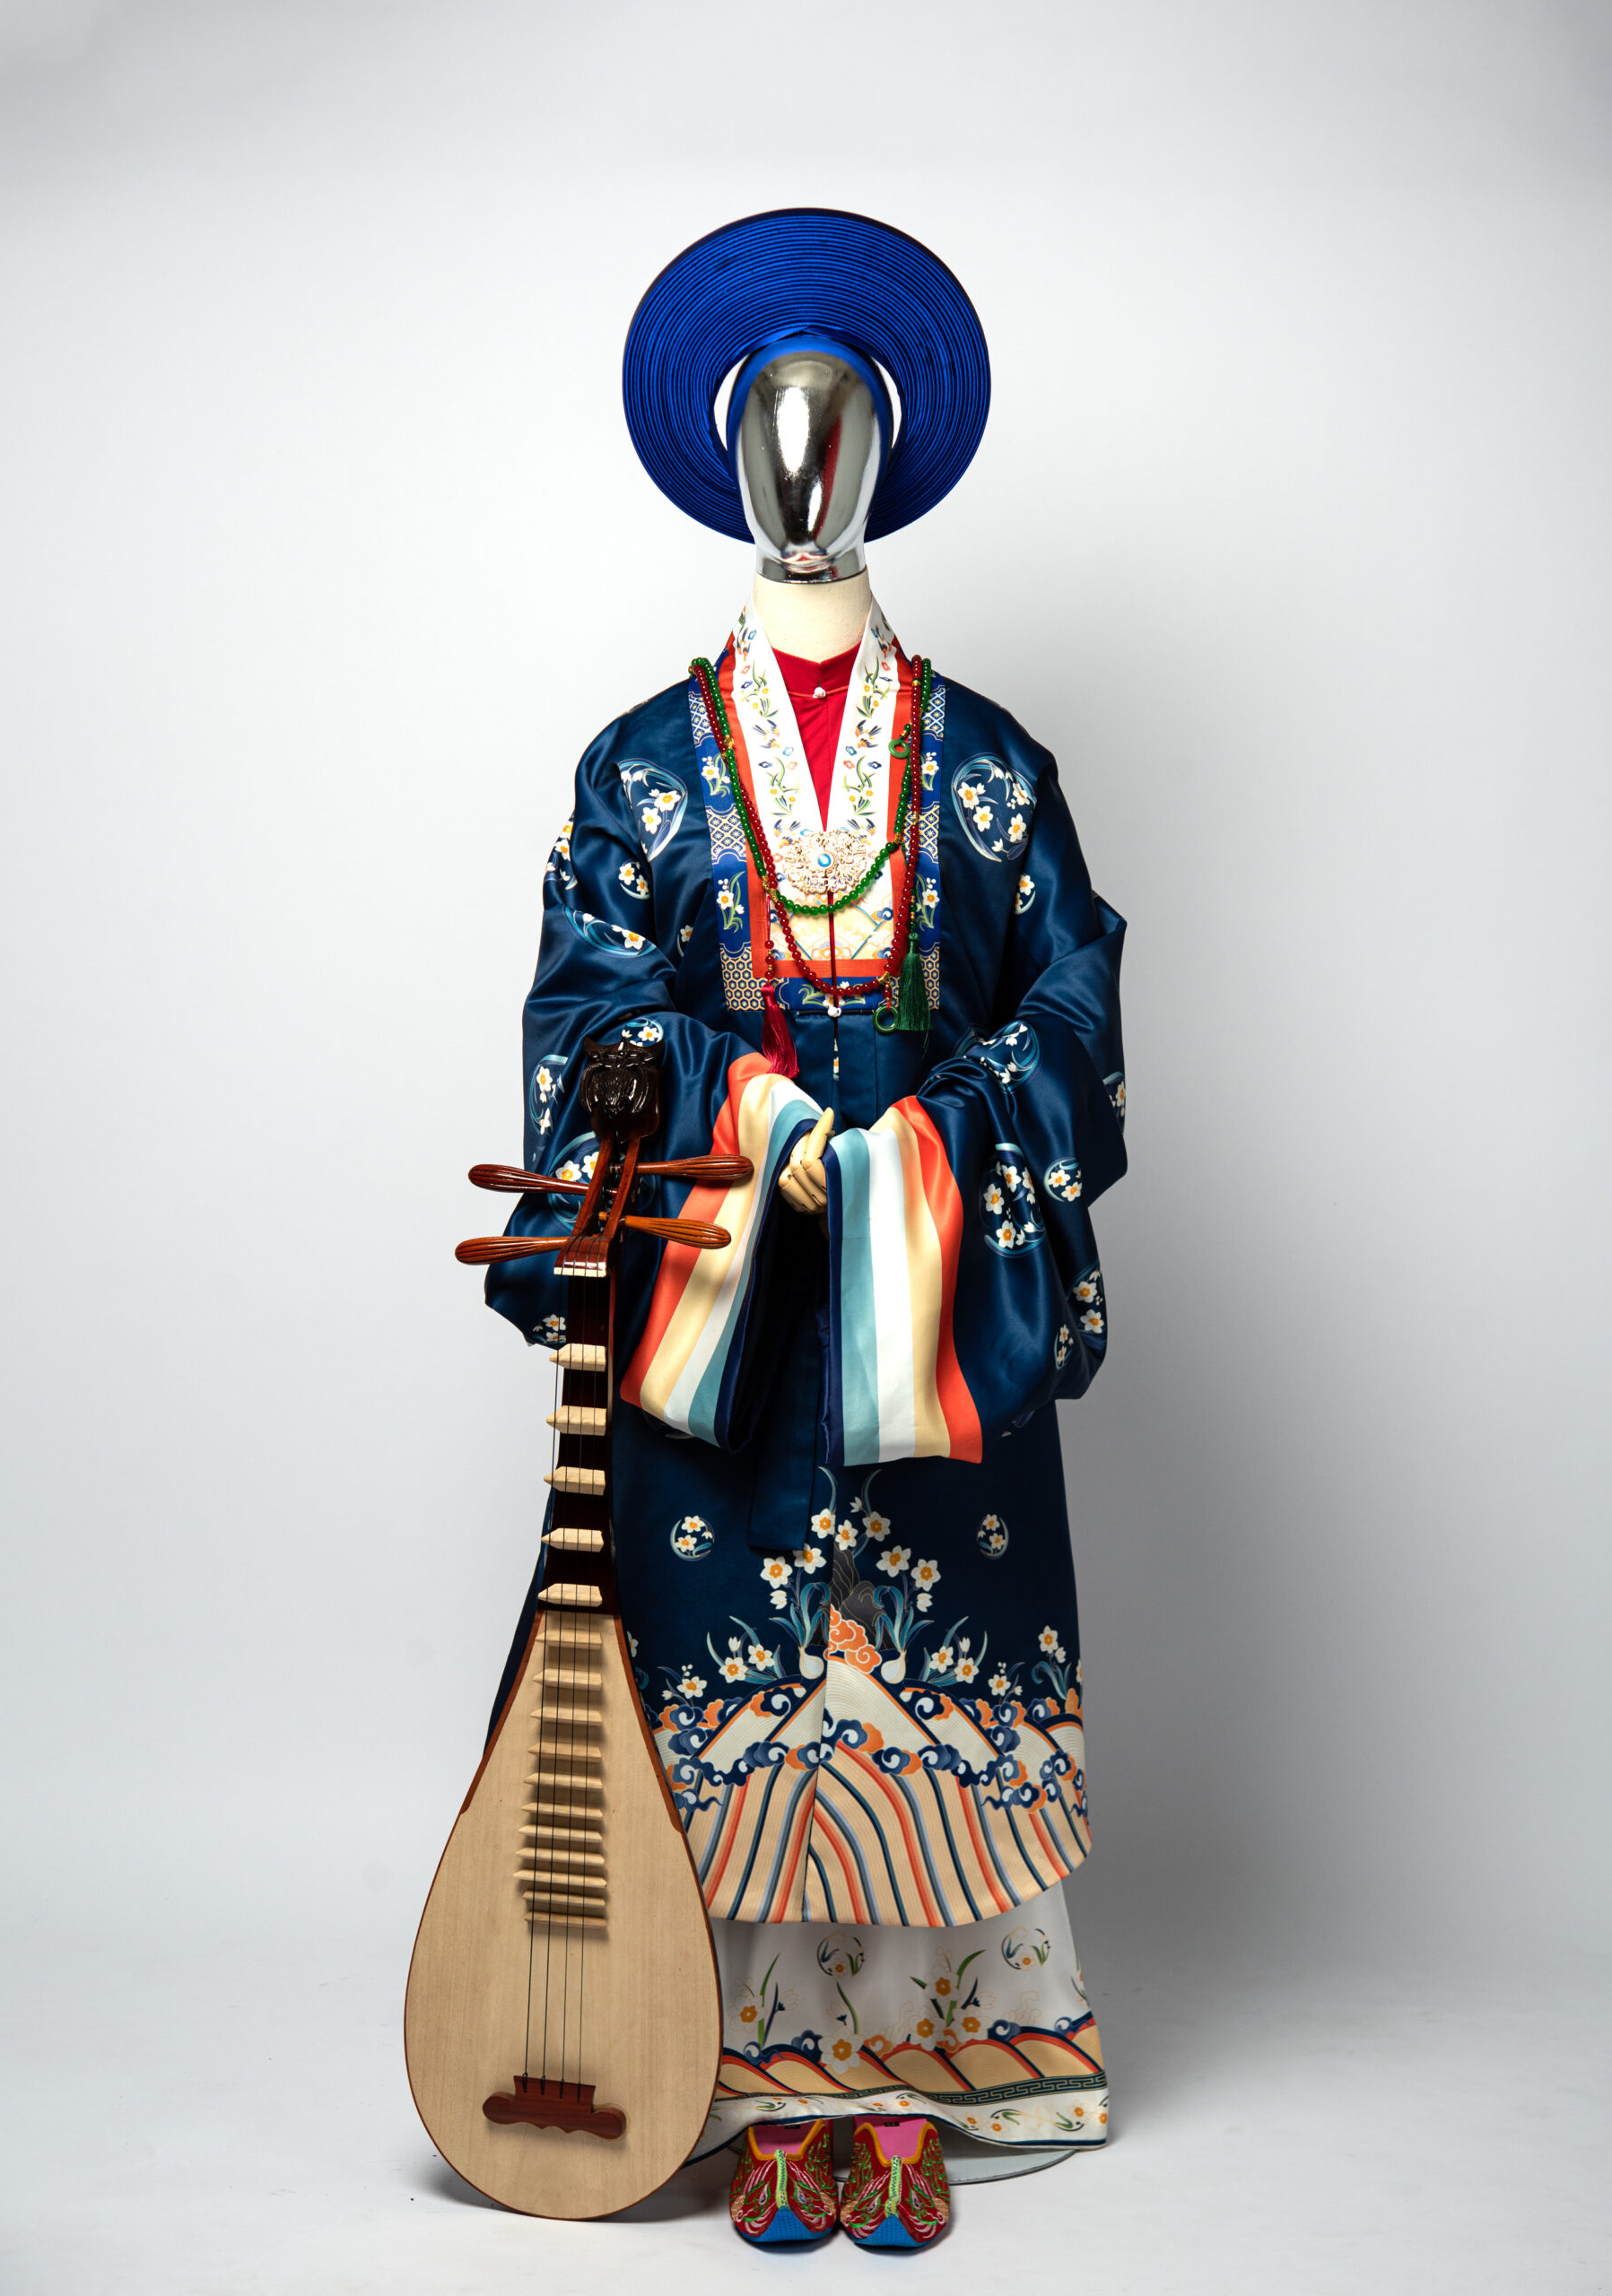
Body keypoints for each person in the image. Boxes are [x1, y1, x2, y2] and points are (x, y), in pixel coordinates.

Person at [484, 210, 1128, 2249]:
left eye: (837, 421)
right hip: (733, 1279)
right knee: (727, 1639)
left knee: (941, 1631)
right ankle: (750, 2068)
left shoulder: (994, 762)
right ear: (725, 455)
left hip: (929, 1273)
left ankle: (936, 2061)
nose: (805, 461)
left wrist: (933, 1142)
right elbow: (587, 1009)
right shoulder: (641, 767)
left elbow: (1074, 1002)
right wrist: (750, 1114)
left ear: (888, 453)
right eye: (774, 423)